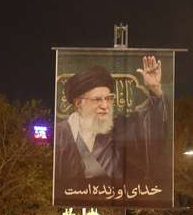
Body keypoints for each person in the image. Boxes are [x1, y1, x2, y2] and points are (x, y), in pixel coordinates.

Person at [54, 57, 168, 196]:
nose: (105, 106)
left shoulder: (119, 129)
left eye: (108, 99)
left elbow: (148, 126)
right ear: (78, 103)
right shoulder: (61, 134)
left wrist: (155, 90)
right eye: (97, 99)